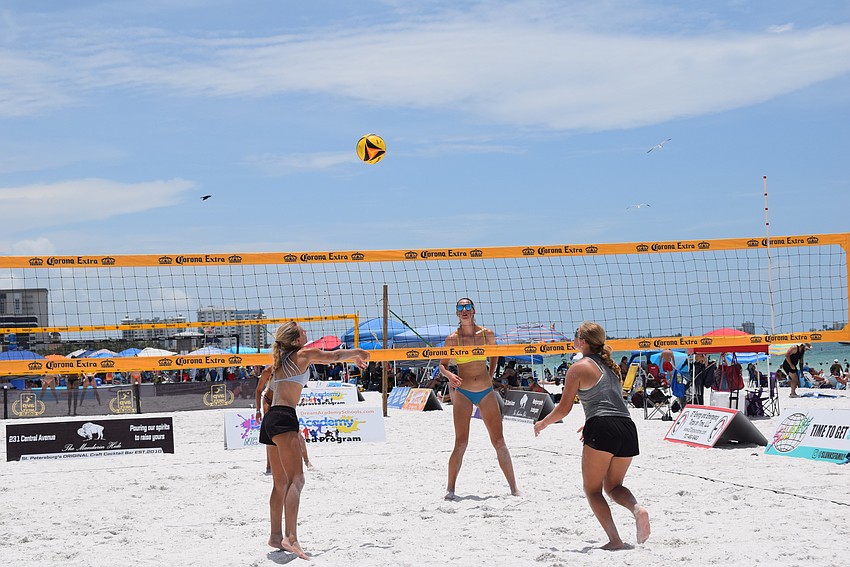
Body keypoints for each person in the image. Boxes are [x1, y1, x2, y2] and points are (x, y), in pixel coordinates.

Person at [534, 321, 650, 550]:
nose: (573, 338)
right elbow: (609, 401)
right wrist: (590, 423)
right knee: (614, 487)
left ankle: (615, 540)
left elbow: (564, 408)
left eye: (575, 335)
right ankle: (638, 509)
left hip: (602, 427)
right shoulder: (612, 368)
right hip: (626, 427)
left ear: (583, 342)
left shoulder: (578, 367)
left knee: (593, 490)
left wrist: (543, 423)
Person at [259, 321, 369, 560]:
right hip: (284, 417)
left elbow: (267, 395)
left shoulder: (280, 362)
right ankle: (291, 537)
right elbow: (334, 355)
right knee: (296, 480)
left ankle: (275, 535)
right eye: (303, 332)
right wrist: (357, 353)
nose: (307, 334)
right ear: (297, 340)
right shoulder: (304, 353)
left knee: (279, 484)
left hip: (270, 420)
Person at [438, 298, 520, 500]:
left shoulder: (486, 334)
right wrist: (450, 376)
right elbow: (442, 365)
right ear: (457, 313)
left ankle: (514, 488)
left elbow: (495, 356)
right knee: (460, 442)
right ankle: (450, 489)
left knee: (499, 441)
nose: (464, 310)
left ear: (473, 310)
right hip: (464, 392)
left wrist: (490, 376)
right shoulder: (452, 339)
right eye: (460, 307)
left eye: (467, 307)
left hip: (485, 391)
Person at [256, 365, 312, 475]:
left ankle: (306, 460)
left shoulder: (291, 368)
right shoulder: (269, 370)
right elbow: (258, 390)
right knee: (269, 434)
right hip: (269, 400)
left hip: (283, 402)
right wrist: (258, 410)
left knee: (296, 432)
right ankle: (269, 465)